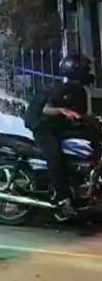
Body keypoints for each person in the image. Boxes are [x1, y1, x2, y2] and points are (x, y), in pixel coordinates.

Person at [25, 54, 95, 217]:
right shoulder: (64, 89)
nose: (89, 72)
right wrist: (61, 111)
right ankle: (61, 198)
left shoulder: (79, 90)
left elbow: (80, 115)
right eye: (85, 69)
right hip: (43, 126)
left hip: (58, 126)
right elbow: (46, 109)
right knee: (55, 156)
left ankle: (80, 184)